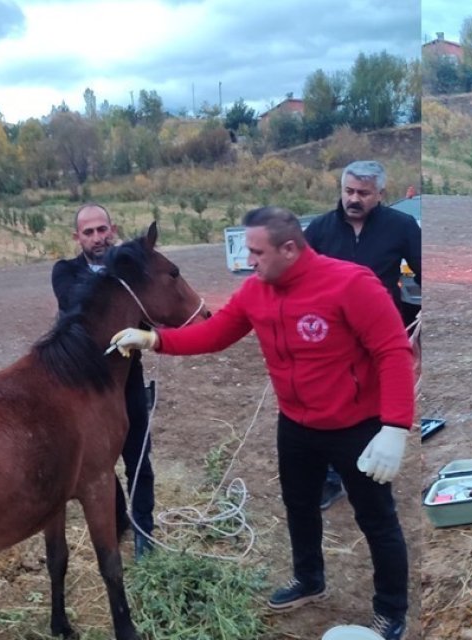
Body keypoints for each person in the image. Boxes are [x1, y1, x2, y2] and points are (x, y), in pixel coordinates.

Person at [109, 206, 414, 640]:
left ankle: (390, 611)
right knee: (299, 505)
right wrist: (156, 339)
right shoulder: (257, 291)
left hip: (356, 426)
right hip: (296, 424)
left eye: (256, 251)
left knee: (377, 519)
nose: (248, 260)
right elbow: (216, 334)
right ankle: (309, 579)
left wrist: (395, 427)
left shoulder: (351, 283)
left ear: (289, 248)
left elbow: (393, 351)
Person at [304, 160, 422, 511]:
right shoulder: (319, 231)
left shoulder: (401, 227)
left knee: (373, 404)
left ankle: (369, 471)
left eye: (363, 193)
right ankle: (329, 478)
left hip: (381, 335)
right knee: (328, 403)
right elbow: (299, 278)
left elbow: (424, 269)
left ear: (380, 195)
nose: (354, 199)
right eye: (349, 191)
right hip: (330, 337)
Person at [51, 203, 158, 559]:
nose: (97, 238)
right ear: (76, 237)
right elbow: (74, 304)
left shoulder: (131, 269)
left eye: (102, 230)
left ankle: (144, 527)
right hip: (85, 386)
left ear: (112, 229)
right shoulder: (64, 272)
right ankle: (119, 519)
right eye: (89, 232)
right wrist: (123, 268)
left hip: (127, 376)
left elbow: (150, 315)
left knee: (138, 454)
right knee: (98, 461)